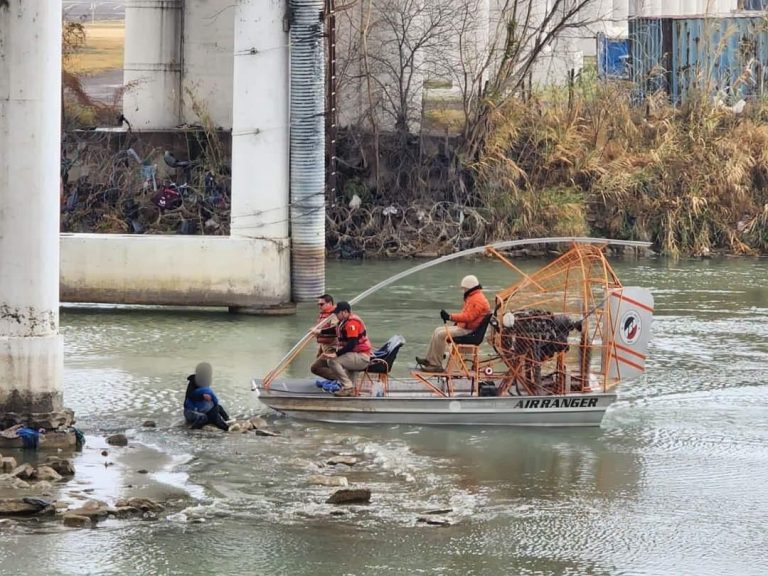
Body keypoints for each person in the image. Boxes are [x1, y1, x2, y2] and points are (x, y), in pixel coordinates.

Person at [416, 274, 490, 372]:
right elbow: (466, 315)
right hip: (465, 327)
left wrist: (450, 317)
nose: (463, 291)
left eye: (464, 289)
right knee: (437, 330)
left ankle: (435, 365)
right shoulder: (473, 297)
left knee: (441, 334)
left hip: (469, 331)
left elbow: (468, 317)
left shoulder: (477, 300)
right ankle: (429, 360)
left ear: (469, 288)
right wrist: (455, 321)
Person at [310, 301, 372, 396]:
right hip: (352, 355)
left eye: (337, 313)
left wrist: (336, 354)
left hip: (361, 357)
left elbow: (352, 344)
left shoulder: (352, 324)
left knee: (332, 361)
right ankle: (349, 389)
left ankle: (348, 387)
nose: (336, 315)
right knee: (320, 364)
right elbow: (334, 330)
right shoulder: (343, 322)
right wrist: (319, 331)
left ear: (345, 312)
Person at [183, 362, 232, 431]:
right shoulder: (193, 382)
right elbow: (190, 396)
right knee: (204, 418)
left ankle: (228, 421)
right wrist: (201, 396)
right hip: (190, 412)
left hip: (201, 409)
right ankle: (191, 430)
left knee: (218, 407)